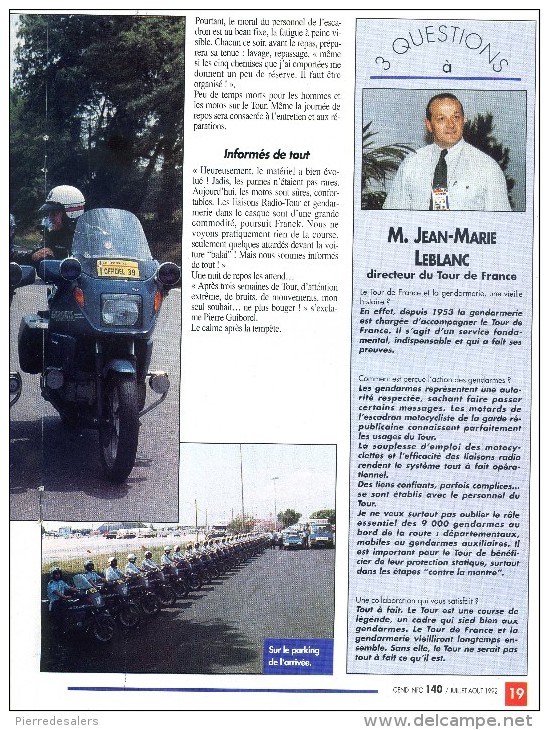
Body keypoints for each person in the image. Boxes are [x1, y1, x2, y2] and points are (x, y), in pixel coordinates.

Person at [383, 93, 511, 211]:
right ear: (428, 125)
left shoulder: (488, 167)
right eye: (441, 119)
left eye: (456, 117)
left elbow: (499, 225)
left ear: (463, 120)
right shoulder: (411, 163)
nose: (451, 124)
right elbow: (393, 217)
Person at [23, 185, 85, 264]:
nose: (50, 218)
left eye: (54, 213)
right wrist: (33, 256)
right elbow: (37, 254)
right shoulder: (53, 236)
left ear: (70, 213)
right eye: (49, 213)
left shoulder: (90, 235)